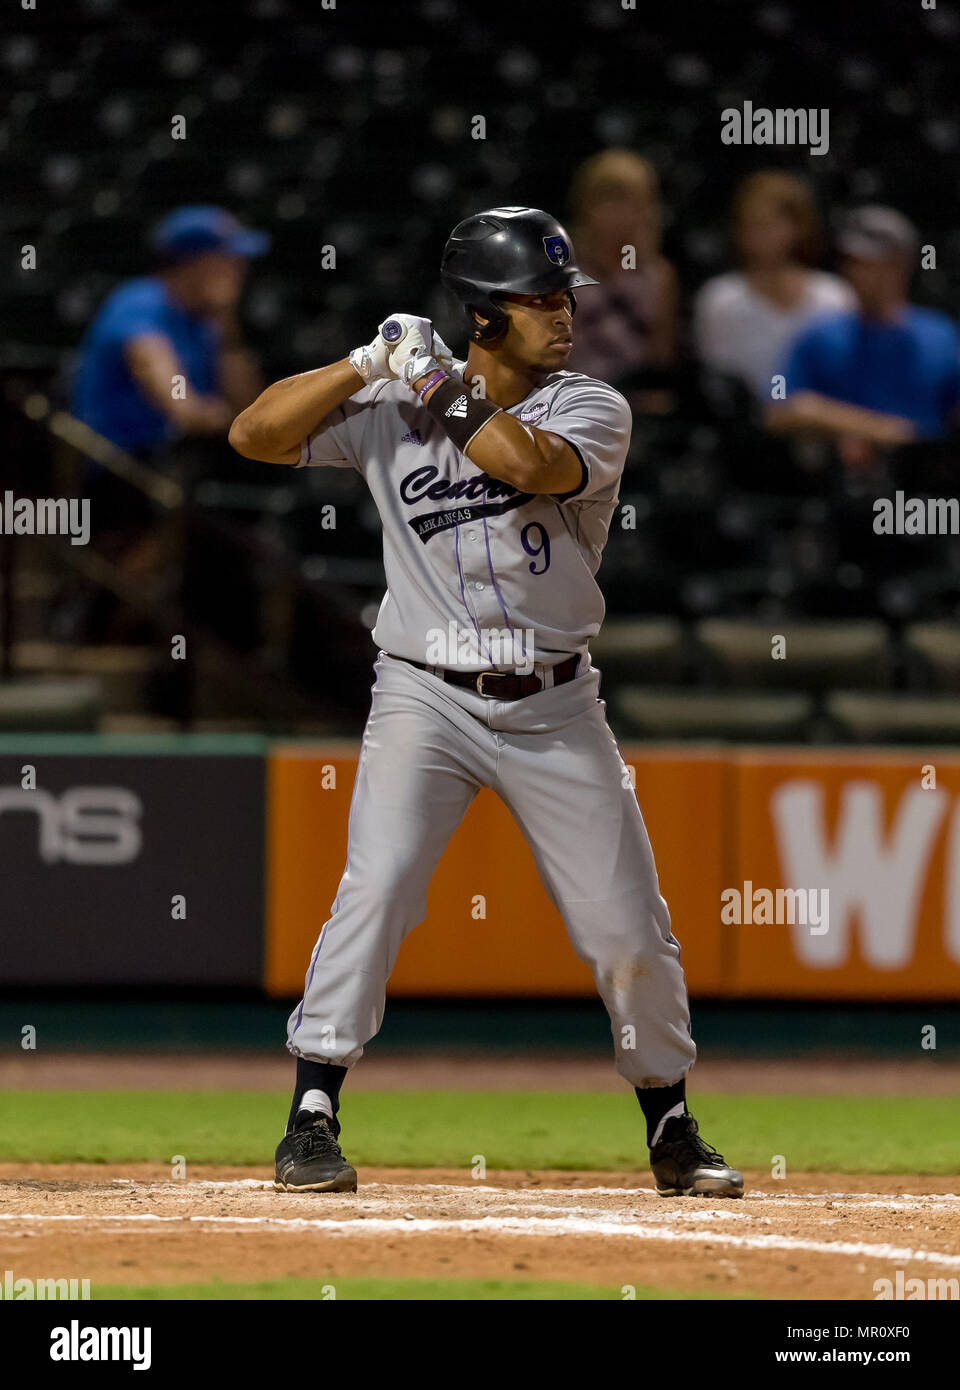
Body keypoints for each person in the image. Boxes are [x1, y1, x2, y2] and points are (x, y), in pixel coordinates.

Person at [230, 206, 743, 1200]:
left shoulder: (590, 406)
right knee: (377, 888)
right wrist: (362, 363)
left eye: (563, 296)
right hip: (424, 696)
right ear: (481, 316)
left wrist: (433, 384)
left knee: (627, 924)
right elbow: (253, 433)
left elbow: (523, 465)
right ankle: (312, 1112)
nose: (563, 314)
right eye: (538, 300)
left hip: (555, 701)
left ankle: (671, 1121)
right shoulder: (390, 407)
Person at [766, 205, 960, 461]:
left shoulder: (940, 335)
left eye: (871, 263)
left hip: (925, 484)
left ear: (902, 265)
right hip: (840, 482)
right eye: (851, 262)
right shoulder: (819, 335)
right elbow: (778, 408)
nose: (856, 273)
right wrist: (878, 430)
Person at [72, 205, 268, 454]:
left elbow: (248, 408)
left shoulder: (206, 320)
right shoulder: (140, 301)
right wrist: (205, 414)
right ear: (195, 263)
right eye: (229, 259)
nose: (240, 269)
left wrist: (226, 321)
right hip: (117, 468)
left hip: (170, 461)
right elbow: (178, 404)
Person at [693, 171, 854, 402]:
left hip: (826, 421)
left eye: (771, 224)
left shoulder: (834, 296)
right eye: (751, 225)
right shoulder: (719, 299)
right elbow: (718, 381)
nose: (760, 235)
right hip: (743, 427)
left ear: (798, 228)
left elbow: (843, 374)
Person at [564, 150, 679, 398]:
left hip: (637, 403)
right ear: (585, 204)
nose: (619, 213)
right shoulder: (560, 271)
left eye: (631, 202)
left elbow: (660, 359)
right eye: (608, 200)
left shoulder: (659, 275)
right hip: (573, 399)